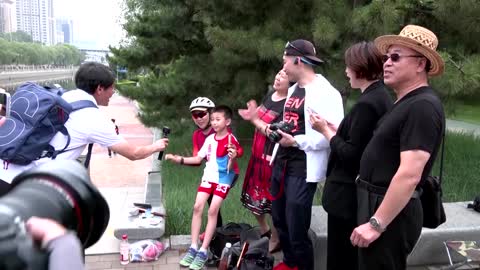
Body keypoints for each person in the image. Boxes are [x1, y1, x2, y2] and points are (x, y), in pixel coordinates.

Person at [349, 25, 445, 270]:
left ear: (420, 64)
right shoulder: (406, 102)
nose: (386, 64)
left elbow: (410, 174)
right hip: (376, 203)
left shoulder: (423, 106)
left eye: (395, 57)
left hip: (389, 213)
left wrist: (376, 224)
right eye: (385, 57)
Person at [0, 62, 168, 194]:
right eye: (112, 88)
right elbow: (134, 153)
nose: (113, 92)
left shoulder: (64, 97)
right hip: (21, 184)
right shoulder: (93, 119)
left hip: (6, 166)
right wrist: (156, 146)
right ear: (100, 89)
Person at [310, 41, 393, 270]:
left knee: (340, 258)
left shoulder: (366, 104)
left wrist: (325, 131)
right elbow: (364, 141)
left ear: (360, 68)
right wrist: (339, 129)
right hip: (357, 196)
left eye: (348, 66)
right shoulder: (381, 97)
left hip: (346, 197)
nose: (346, 72)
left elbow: (351, 155)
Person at [270, 39, 344, 270]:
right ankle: (289, 262)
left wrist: (297, 141)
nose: (283, 68)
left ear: (297, 60)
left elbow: (332, 134)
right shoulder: (293, 90)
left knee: (296, 225)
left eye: (285, 62)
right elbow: (294, 123)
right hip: (281, 162)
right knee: (279, 219)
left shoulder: (327, 93)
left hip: (302, 167)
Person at [165, 105, 243, 270]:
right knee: (197, 207)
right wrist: (177, 159)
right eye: (212, 119)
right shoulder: (209, 139)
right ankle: (193, 247)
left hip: (224, 178)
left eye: (218, 119)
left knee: (213, 210)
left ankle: (203, 250)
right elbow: (197, 159)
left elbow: (235, 158)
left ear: (227, 121)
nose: (214, 123)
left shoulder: (231, 139)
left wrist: (234, 155)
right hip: (209, 176)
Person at [238, 69, 288, 252]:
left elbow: (274, 131)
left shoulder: (288, 104)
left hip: (271, 160)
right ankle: (265, 229)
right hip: (256, 156)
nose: (278, 77)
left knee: (272, 202)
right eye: (277, 74)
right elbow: (259, 115)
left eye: (283, 76)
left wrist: (255, 119)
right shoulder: (271, 95)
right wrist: (252, 113)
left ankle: (276, 237)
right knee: (252, 197)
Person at [182, 97, 225, 237]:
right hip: (211, 172)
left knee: (213, 205)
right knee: (210, 203)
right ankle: (216, 232)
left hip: (225, 173)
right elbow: (197, 160)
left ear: (211, 114)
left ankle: (214, 232)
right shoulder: (197, 135)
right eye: (195, 115)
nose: (198, 118)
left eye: (202, 114)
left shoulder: (219, 130)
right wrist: (181, 159)